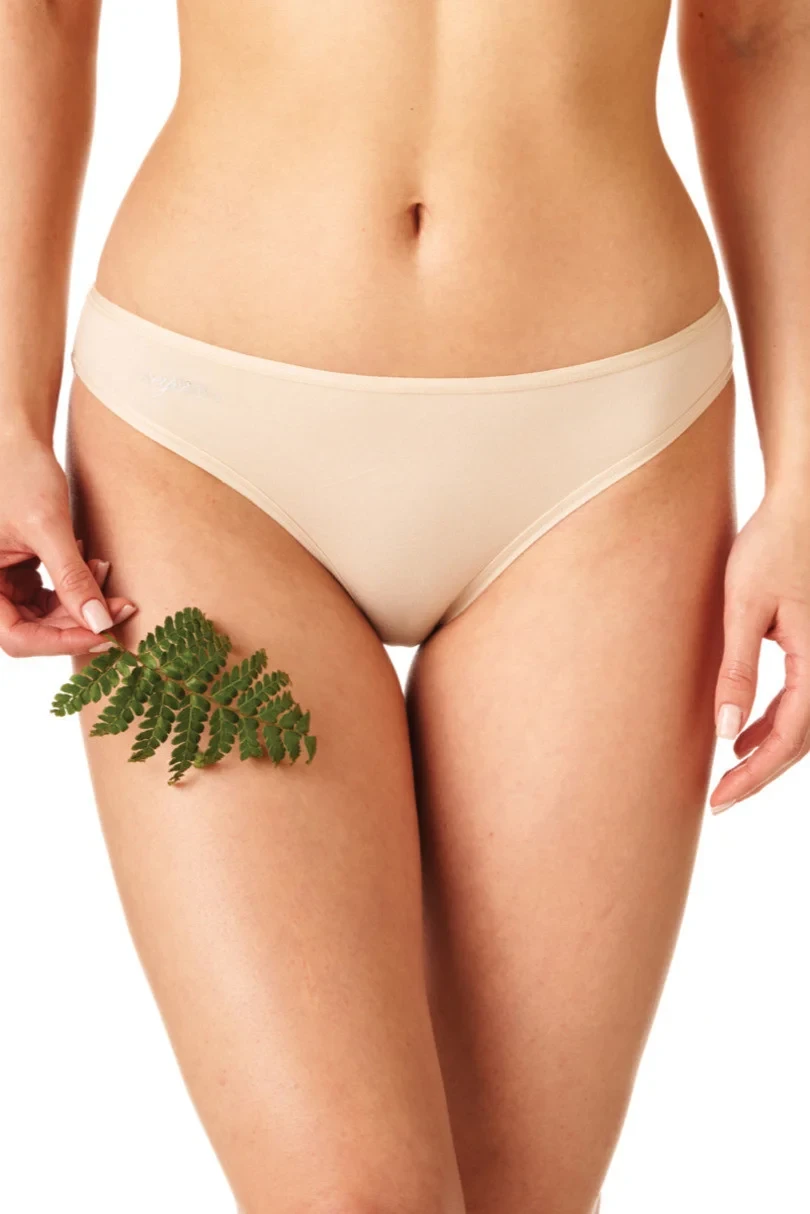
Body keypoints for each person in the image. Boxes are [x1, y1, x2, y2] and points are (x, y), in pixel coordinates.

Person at [2, 2, 808, 1211]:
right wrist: (4, 405)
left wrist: (806, 478)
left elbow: (761, 32)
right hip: (199, 445)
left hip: (608, 457)